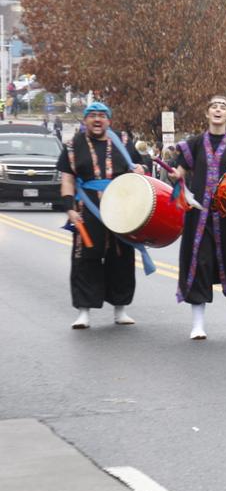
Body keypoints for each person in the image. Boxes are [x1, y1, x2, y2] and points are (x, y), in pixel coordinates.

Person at [169, 95, 226, 340]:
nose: (218, 111)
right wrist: (176, 177)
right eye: (214, 107)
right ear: (207, 114)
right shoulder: (194, 144)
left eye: (223, 108)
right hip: (199, 216)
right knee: (199, 264)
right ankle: (198, 324)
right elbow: (180, 171)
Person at [56, 101, 144, 329]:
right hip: (87, 210)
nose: (97, 119)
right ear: (85, 120)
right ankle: (84, 312)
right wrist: (70, 208)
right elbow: (67, 180)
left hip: (120, 209)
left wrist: (139, 170)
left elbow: (138, 170)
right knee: (85, 258)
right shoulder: (73, 146)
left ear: (109, 120)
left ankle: (120, 309)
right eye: (92, 115)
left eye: (102, 116)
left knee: (121, 256)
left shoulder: (123, 143)